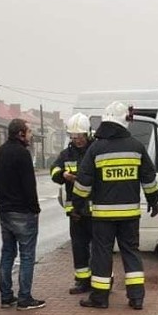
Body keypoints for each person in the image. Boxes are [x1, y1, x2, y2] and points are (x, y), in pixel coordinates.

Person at [72, 102, 158, 310]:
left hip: (103, 216)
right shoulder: (137, 147)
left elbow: (84, 182)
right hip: (130, 215)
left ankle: (100, 298)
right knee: (131, 252)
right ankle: (136, 298)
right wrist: (153, 201)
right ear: (124, 122)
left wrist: (77, 206)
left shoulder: (96, 148)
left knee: (102, 254)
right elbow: (149, 177)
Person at [0, 118, 45, 311]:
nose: (31, 135)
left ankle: (6, 296)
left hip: (5, 212)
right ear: (20, 134)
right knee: (27, 255)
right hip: (23, 213)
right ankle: (25, 298)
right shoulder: (23, 154)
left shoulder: (0, 152)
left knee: (7, 253)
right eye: (29, 131)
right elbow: (29, 186)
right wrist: (35, 209)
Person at [50, 113, 94, 294]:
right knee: (78, 246)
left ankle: (103, 280)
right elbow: (54, 170)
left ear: (88, 134)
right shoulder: (66, 154)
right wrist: (62, 175)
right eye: (74, 137)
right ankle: (82, 281)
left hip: (94, 209)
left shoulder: (95, 151)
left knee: (99, 248)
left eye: (80, 137)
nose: (77, 140)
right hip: (75, 212)